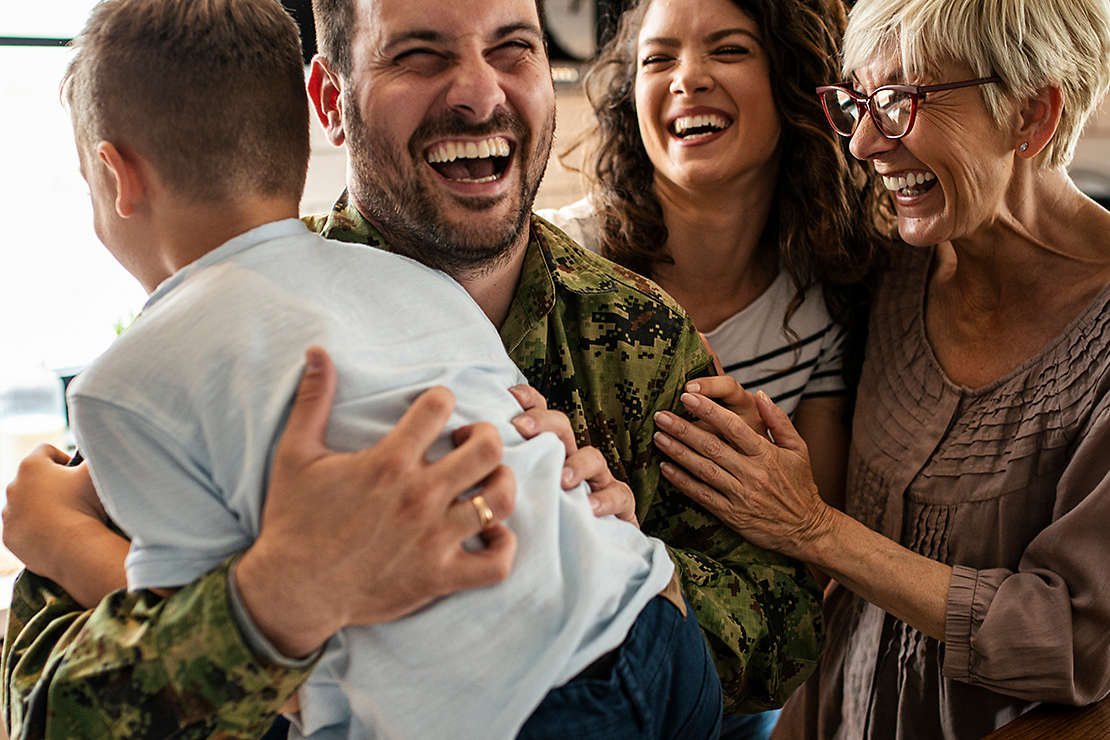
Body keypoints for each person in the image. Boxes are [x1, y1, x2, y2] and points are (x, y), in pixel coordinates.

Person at [1, 0, 824, 735]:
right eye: (420, 56)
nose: (479, 92)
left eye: (513, 48)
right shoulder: (205, 363)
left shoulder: (637, 329)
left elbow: (786, 621)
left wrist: (597, 552)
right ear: (328, 100)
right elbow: (50, 707)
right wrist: (269, 601)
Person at [649, 0, 1110, 736]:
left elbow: (1074, 638)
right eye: (858, 102)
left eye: (899, 101)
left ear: (1031, 113)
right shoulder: (888, 269)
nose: (863, 143)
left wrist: (811, 527)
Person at [538, 0, 883, 524]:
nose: (688, 78)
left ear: (793, 83)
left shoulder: (822, 295)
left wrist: (757, 461)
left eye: (728, 50)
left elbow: (817, 566)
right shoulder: (555, 259)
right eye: (657, 60)